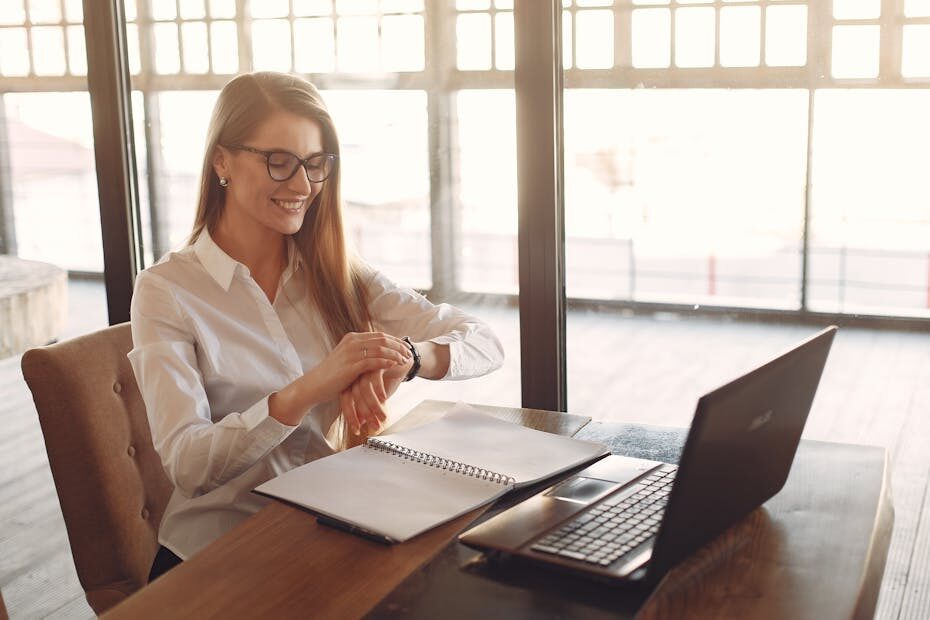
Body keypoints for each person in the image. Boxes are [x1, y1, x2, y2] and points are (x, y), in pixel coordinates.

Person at [128, 71, 504, 581]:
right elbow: (189, 466)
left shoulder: (335, 272)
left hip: (325, 530)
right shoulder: (166, 290)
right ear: (222, 161)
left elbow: (483, 340)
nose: (302, 186)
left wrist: (407, 358)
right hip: (213, 559)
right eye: (278, 162)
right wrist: (310, 388)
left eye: (313, 164)